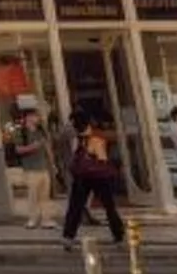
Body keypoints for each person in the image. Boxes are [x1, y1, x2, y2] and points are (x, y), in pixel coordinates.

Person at [61, 113, 126, 251]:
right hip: (83, 176)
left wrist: (90, 152)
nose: (72, 127)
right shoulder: (77, 138)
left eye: (73, 124)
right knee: (76, 206)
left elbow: (102, 158)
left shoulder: (95, 137)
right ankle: (68, 236)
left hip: (97, 176)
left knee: (108, 206)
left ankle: (118, 235)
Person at [14, 106, 53, 230]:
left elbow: (47, 147)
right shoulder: (22, 132)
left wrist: (52, 163)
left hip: (43, 167)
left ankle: (46, 220)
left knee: (45, 196)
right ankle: (32, 219)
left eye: (37, 115)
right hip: (31, 169)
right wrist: (33, 147)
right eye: (34, 116)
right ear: (28, 118)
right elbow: (18, 149)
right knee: (32, 196)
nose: (37, 118)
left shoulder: (41, 130)